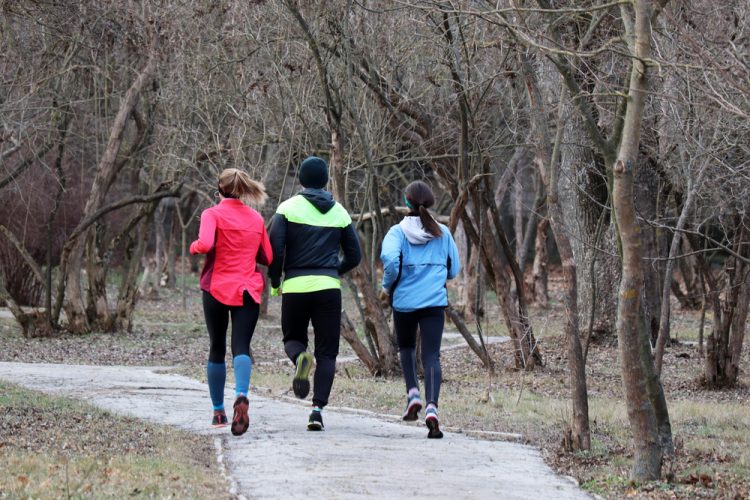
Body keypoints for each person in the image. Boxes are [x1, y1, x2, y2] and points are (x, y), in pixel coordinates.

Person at [268, 156, 361, 431]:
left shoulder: (286, 208)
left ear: (301, 180)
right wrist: (333, 272)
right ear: (325, 181)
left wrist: (276, 282)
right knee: (328, 353)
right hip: (328, 289)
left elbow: (275, 252)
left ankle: (300, 360)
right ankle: (317, 411)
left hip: (295, 286)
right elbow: (355, 255)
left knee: (293, 339)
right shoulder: (340, 213)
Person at [190, 168, 271, 437]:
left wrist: (193, 247)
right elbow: (268, 256)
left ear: (219, 190)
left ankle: (218, 412)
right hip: (247, 290)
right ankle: (242, 394)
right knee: (241, 346)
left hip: (216, 288)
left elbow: (204, 244)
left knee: (216, 347)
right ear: (244, 189)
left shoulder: (211, 214)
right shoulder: (256, 219)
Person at [379, 180, 459, 439]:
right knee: (431, 356)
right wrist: (436, 276)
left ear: (406, 202)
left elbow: (390, 262)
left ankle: (413, 393)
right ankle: (432, 408)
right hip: (434, 302)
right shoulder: (443, 233)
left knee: (406, 348)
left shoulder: (396, 233)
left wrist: (388, 286)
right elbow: (454, 269)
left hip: (404, 302)